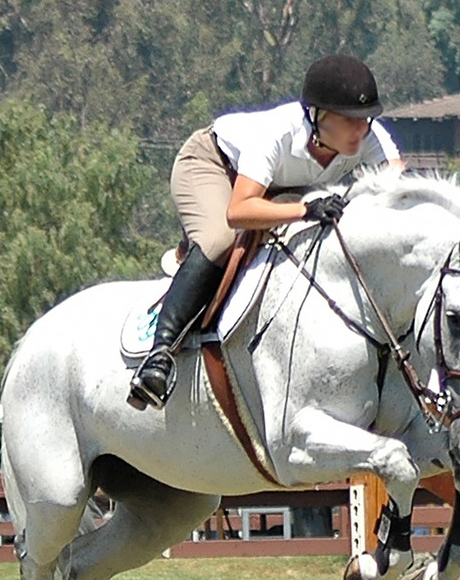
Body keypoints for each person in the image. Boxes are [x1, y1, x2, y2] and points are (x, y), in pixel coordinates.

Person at [128, 53, 403, 410]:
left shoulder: (369, 135)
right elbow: (239, 211)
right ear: (317, 115)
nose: (361, 130)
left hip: (280, 188)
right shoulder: (276, 133)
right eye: (349, 120)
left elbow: (397, 190)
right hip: (214, 165)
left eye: (365, 119)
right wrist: (305, 211)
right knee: (220, 240)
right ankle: (159, 355)